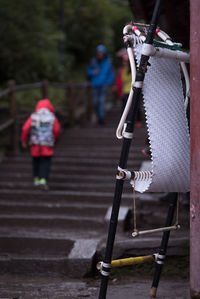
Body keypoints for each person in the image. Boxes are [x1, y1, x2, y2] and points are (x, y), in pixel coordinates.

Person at [21, 99, 61, 190]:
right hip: (47, 144)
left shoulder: (34, 116)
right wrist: (55, 139)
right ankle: (43, 179)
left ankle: (36, 179)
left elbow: (25, 128)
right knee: (45, 162)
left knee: (36, 161)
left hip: (35, 144)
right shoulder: (52, 117)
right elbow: (57, 130)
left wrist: (24, 140)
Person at [86, 44, 114, 125]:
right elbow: (88, 71)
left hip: (104, 85)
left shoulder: (108, 61)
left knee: (102, 101)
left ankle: (101, 118)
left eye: (101, 52)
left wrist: (108, 82)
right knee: (95, 102)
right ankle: (99, 116)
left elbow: (111, 73)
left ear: (104, 53)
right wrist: (92, 72)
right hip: (94, 84)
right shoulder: (93, 61)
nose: (100, 54)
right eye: (99, 52)